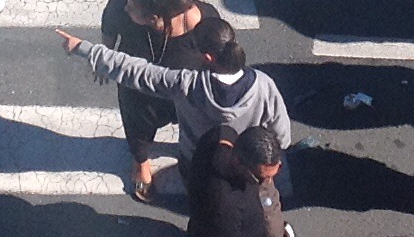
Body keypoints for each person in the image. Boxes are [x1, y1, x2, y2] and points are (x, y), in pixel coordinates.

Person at [56, 20, 292, 198]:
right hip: (244, 163)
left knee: (203, 197)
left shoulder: (186, 84)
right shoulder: (263, 84)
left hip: (197, 162)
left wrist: (83, 48)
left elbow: (134, 71)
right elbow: (282, 134)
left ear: (207, 57)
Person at [91, 0, 246, 201]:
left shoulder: (203, 21)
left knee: (195, 126)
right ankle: (141, 161)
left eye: (133, 9)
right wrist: (104, 60)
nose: (126, 8)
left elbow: (219, 56)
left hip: (184, 91)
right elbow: (109, 33)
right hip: (140, 91)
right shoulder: (120, 5)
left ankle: (190, 156)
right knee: (137, 122)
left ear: (155, 17)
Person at [186, 125, 290, 237]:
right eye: (260, 178)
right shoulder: (224, 207)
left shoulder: (222, 135)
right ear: (238, 162)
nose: (267, 182)